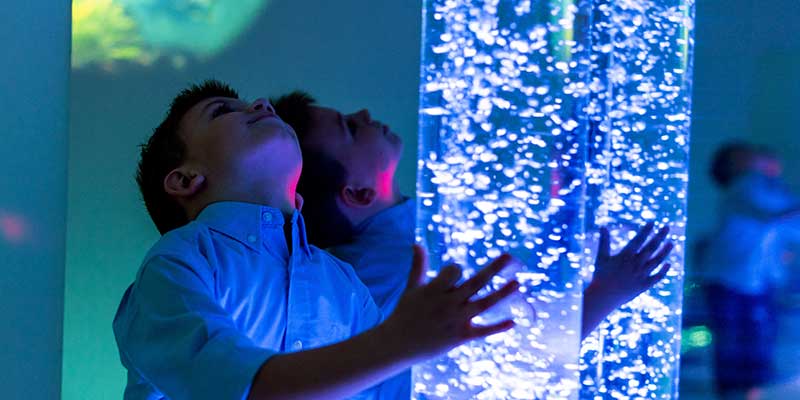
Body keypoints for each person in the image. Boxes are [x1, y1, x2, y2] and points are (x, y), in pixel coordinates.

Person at [113, 80, 522, 400]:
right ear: (186, 180)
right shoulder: (177, 263)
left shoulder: (344, 283)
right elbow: (235, 389)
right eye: (221, 111)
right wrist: (398, 341)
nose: (261, 104)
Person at [271, 91, 674, 341]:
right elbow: (515, 365)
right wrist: (608, 292)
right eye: (351, 129)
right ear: (358, 193)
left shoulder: (391, 252)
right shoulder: (396, 271)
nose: (362, 112)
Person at [696, 142, 800, 400]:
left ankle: (744, 392)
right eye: (744, 154)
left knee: (749, 335)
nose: (755, 155)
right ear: (733, 166)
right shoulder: (742, 188)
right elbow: (773, 216)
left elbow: (787, 222)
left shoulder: (763, 188)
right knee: (738, 336)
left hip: (750, 278)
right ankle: (739, 392)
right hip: (730, 277)